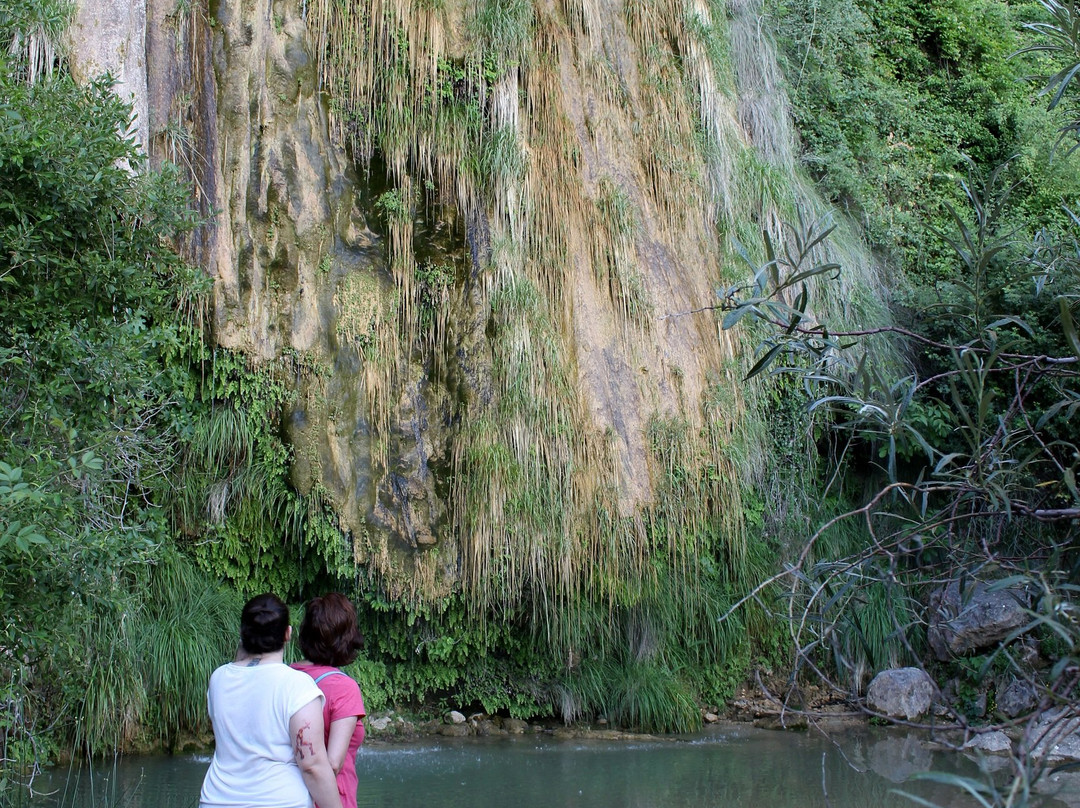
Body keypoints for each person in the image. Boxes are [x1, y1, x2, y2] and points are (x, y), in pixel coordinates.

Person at [199, 593, 343, 808]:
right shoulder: (297, 686)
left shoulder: (219, 679)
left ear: (242, 633)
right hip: (278, 801)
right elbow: (312, 765)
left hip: (216, 800)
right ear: (288, 634)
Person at [291, 593, 367, 808]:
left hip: (287, 796)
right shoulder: (344, 688)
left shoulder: (286, 676)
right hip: (332, 799)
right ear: (347, 637)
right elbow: (333, 764)